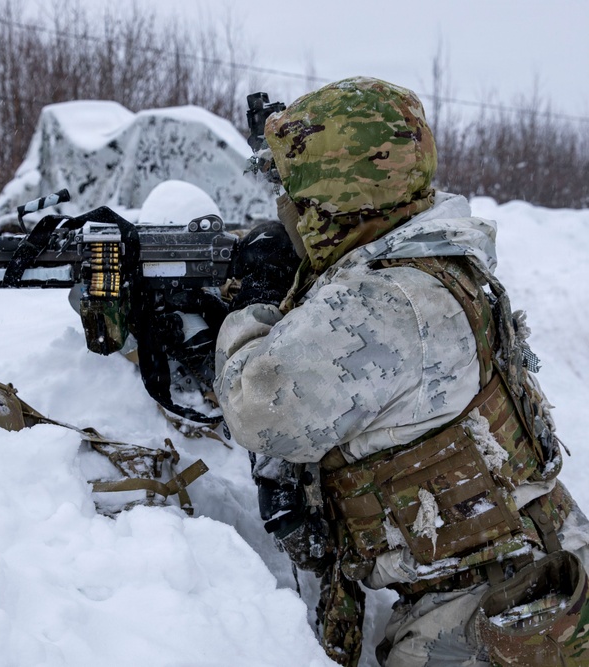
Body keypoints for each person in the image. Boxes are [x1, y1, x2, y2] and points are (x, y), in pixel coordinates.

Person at [214, 76, 589, 666]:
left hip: (494, 613)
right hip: (524, 568)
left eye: (296, 192)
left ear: (337, 194)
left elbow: (260, 409)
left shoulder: (389, 300)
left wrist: (256, 308)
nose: (285, 207)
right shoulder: (432, 253)